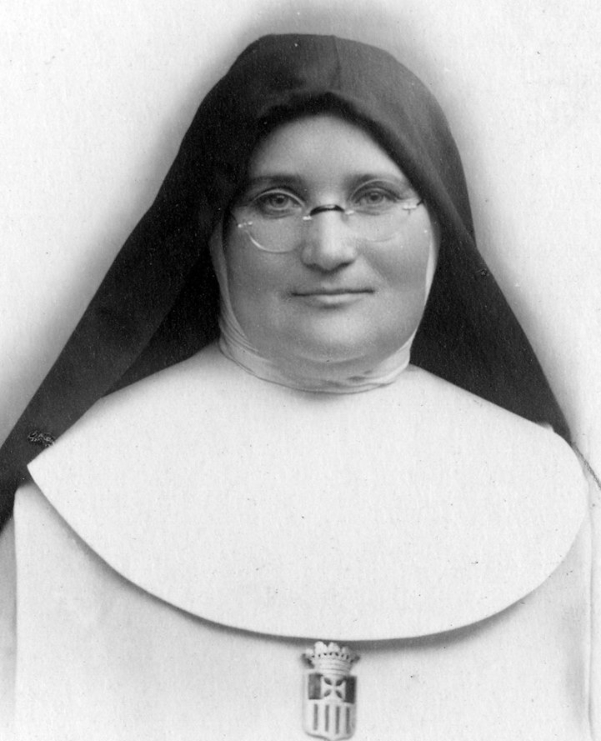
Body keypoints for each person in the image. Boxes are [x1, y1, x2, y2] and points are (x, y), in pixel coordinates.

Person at [0, 33, 596, 740]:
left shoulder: (562, 507)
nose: (328, 249)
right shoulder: (66, 502)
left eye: (375, 197)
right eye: (277, 201)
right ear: (214, 233)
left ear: (439, 228)